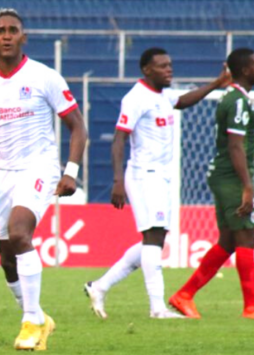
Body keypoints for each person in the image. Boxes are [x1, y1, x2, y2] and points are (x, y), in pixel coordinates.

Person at [83, 47, 232, 319]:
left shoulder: (163, 95)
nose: (169, 69)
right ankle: (157, 308)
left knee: (154, 240)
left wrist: (215, 84)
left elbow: (185, 100)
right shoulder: (136, 98)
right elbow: (119, 138)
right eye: (162, 66)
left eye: (170, 64)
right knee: (153, 237)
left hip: (160, 176)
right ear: (147, 70)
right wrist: (117, 180)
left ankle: (100, 286)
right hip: (143, 175)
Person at [0, 8, 87, 351]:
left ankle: (30, 321)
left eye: (13, 30)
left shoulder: (44, 77)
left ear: (23, 37)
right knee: (7, 258)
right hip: (0, 175)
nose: (6, 35)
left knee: (21, 232)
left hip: (39, 167)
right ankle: (38, 318)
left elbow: (78, 126)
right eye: (0, 31)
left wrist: (70, 172)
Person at [169, 49, 254, 320]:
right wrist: (247, 186)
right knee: (246, 236)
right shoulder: (237, 102)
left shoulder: (235, 99)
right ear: (245, 70)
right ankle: (252, 307)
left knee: (229, 240)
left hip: (225, 177)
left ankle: (184, 295)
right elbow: (235, 147)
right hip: (232, 178)